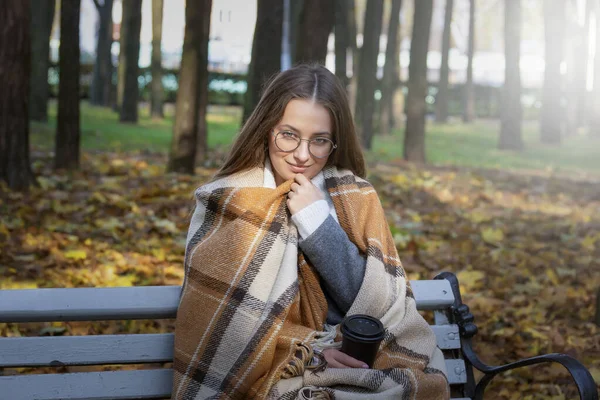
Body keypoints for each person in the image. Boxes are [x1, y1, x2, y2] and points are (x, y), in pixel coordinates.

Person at [172, 64, 449, 399]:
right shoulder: (229, 202)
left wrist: (317, 222)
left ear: (335, 142)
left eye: (319, 140)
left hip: (363, 367)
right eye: (288, 134)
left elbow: (377, 307)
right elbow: (220, 326)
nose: (302, 155)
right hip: (278, 374)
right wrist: (313, 355)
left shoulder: (356, 197)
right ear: (265, 129)